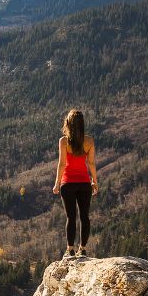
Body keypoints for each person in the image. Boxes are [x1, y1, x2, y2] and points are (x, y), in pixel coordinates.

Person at [53, 109, 98, 258]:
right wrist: (95, 181)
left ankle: (70, 250)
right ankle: (83, 249)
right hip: (84, 183)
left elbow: (61, 164)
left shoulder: (64, 141)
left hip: (68, 184)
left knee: (70, 217)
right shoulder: (89, 141)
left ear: (68, 123)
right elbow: (91, 163)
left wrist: (57, 183)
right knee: (84, 216)